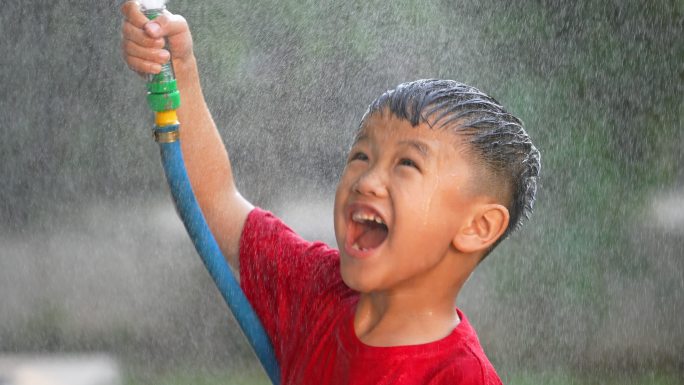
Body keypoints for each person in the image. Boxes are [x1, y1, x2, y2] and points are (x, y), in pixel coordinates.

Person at [121, 2, 540, 384]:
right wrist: (181, 71)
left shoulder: (460, 377)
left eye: (407, 164)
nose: (367, 180)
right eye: (361, 155)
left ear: (478, 226)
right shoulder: (314, 289)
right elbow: (212, 203)